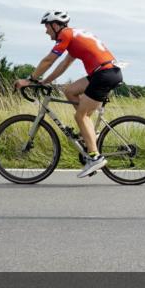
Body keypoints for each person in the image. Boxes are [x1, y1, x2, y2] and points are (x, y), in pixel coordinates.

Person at [15, 10, 123, 178]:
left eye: (47, 27)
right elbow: (63, 65)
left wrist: (30, 80)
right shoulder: (74, 37)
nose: (46, 31)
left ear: (56, 25)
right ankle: (89, 135)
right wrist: (44, 81)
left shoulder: (65, 34)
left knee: (81, 117)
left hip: (103, 75)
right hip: (104, 73)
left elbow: (49, 60)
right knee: (70, 91)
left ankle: (95, 157)